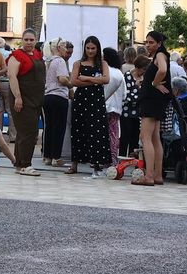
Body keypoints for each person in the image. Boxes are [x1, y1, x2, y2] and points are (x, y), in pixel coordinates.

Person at [68, 35, 113, 177]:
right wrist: (95, 81)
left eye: (93, 48)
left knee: (97, 131)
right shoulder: (78, 63)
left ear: (97, 48)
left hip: (97, 102)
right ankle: (74, 163)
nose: (90, 51)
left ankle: (97, 164)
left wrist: (87, 78)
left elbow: (106, 79)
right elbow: (73, 81)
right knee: (78, 130)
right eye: (88, 48)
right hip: (81, 101)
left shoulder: (103, 64)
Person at [137, 31, 174, 187]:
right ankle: (157, 175)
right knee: (154, 138)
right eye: (146, 42)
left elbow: (163, 70)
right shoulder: (160, 55)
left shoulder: (160, 55)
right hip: (157, 101)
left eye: (151, 42)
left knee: (145, 137)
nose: (148, 45)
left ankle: (149, 175)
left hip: (151, 101)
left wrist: (154, 83)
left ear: (159, 43)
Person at [7, 29, 45, 175]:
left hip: (36, 99)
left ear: (35, 40)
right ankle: (25, 164)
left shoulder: (37, 55)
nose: (29, 42)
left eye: (31, 40)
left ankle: (19, 163)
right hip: (22, 99)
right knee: (28, 132)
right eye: (26, 39)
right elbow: (12, 76)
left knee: (26, 132)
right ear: (22, 40)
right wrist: (17, 97)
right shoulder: (16, 56)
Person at [42, 38, 72, 167]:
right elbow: (62, 79)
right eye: (64, 46)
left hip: (48, 96)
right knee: (59, 127)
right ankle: (56, 157)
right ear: (59, 48)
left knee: (49, 127)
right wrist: (71, 84)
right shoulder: (60, 61)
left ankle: (48, 156)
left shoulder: (48, 61)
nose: (66, 49)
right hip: (59, 96)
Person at [103, 56, 126, 164]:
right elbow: (124, 94)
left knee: (102, 134)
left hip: (104, 106)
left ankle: (101, 158)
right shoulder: (119, 73)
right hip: (116, 108)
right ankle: (113, 158)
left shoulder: (104, 71)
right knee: (114, 134)